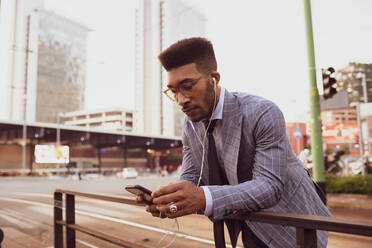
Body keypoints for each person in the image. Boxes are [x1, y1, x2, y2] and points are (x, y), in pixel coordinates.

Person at [137, 37, 331, 248]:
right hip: (246, 221)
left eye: (188, 86)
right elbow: (192, 177)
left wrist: (202, 197)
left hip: (293, 225)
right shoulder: (190, 124)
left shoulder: (263, 112)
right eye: (173, 91)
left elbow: (270, 186)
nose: (181, 100)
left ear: (213, 79)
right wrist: (168, 199)